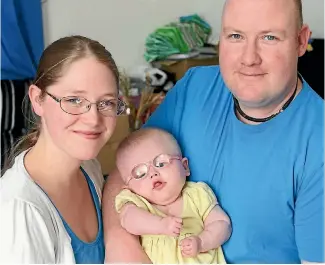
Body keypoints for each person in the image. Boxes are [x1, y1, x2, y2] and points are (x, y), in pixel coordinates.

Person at [103, 0, 324, 263]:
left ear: (301, 41)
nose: (249, 58)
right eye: (235, 36)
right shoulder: (195, 88)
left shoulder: (318, 142)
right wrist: (120, 241)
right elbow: (126, 170)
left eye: (269, 37)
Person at [0, 35, 126, 263]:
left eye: (106, 102)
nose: (93, 119)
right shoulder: (19, 210)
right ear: (37, 99)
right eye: (75, 100)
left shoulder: (89, 167)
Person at [114, 127, 231, 263]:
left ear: (185, 167)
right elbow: (129, 220)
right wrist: (160, 225)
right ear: (129, 188)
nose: (153, 173)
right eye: (140, 173)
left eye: (161, 163)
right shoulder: (136, 202)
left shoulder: (197, 194)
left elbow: (222, 223)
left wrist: (202, 242)